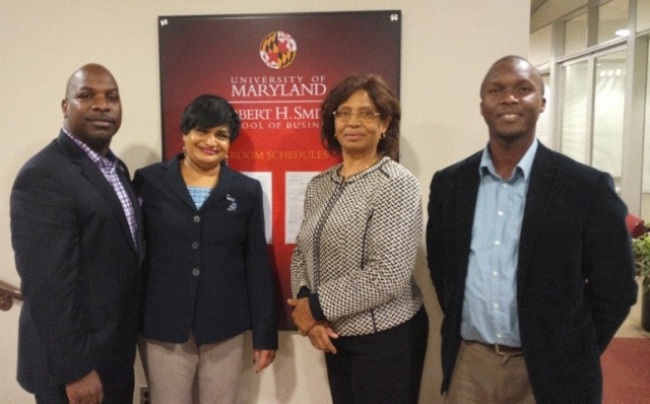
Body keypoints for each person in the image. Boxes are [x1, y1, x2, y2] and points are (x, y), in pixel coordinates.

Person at [426, 55, 638, 403]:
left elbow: (615, 290)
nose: (509, 98)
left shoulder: (586, 188)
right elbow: (442, 268)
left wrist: (574, 348)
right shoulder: (450, 184)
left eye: (523, 89)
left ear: (541, 103)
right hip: (470, 366)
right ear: (482, 106)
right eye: (496, 90)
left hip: (553, 371)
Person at [288, 74, 428, 404]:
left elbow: (387, 275)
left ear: (385, 124)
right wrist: (307, 306)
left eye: (367, 113)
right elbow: (300, 253)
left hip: (386, 340)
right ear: (332, 122)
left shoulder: (396, 184)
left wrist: (315, 308)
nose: (353, 122)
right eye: (343, 112)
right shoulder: (319, 184)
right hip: (335, 335)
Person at [10, 63, 143, 403]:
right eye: (87, 95)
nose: (102, 104)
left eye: (111, 97)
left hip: (113, 356)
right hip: (73, 369)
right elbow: (49, 285)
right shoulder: (45, 174)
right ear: (65, 107)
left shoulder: (116, 168)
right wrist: (75, 371)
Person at [134, 94, 277, 404]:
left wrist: (265, 334)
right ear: (185, 133)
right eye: (202, 131)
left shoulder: (246, 191)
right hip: (164, 324)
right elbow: (135, 253)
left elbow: (256, 263)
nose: (211, 141)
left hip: (224, 325)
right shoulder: (149, 181)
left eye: (222, 135)